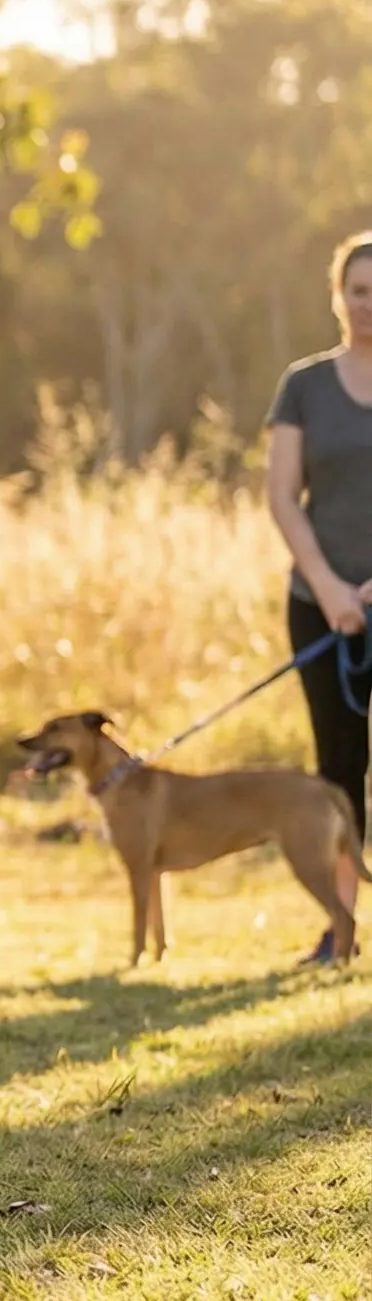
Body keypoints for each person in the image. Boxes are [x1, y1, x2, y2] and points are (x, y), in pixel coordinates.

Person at [265, 230, 372, 967]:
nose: (371, 304)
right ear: (339, 296)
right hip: (322, 607)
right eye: (360, 289)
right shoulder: (303, 384)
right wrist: (333, 589)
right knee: (339, 768)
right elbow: (281, 495)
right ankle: (344, 930)